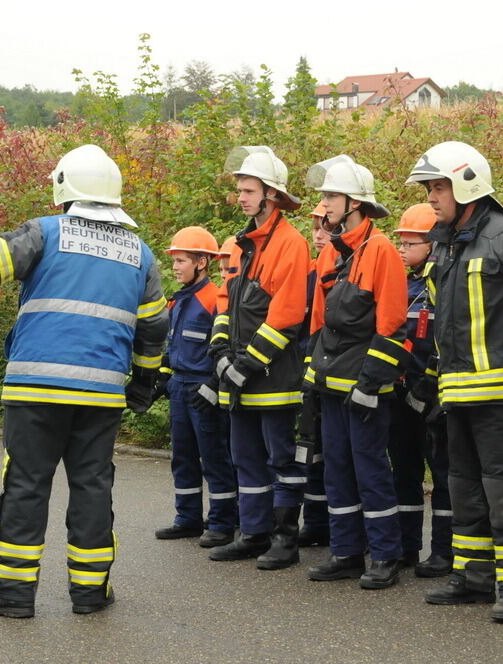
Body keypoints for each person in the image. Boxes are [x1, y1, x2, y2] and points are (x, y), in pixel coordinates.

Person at [0, 144, 168, 617]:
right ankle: (90, 593)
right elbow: (154, 327)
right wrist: (143, 381)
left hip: (36, 389)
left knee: (25, 485)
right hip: (102, 394)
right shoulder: (140, 254)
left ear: (65, 191)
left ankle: (15, 595)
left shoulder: (47, 231)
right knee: (92, 487)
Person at [407, 141, 503, 623]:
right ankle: (472, 577)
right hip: (458, 392)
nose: (431, 197)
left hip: (501, 394)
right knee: (464, 490)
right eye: (429, 188)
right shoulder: (446, 244)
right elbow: (443, 322)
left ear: (467, 183)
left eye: (438, 186)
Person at [194, 146, 309, 570]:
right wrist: (221, 350)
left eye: (248, 190)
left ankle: (284, 539)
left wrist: (244, 365)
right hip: (240, 376)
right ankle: (253, 532)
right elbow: (226, 304)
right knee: (244, 457)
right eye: (239, 190)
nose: (240, 197)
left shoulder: (291, 244)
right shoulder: (242, 243)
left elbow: (287, 314)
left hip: (274, 377)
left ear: (272, 195)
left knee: (281, 459)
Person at [302, 155, 409, 590]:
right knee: (337, 470)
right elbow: (319, 323)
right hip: (331, 386)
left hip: (364, 390)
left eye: (330, 196)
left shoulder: (380, 250)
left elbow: (393, 323)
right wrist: (312, 379)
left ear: (355, 203)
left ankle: (385, 554)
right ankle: (345, 551)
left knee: (370, 469)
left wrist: (370, 384)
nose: (324, 204)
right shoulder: (332, 252)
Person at [154, 227, 238, 548]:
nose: (175, 267)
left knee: (214, 457)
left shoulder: (214, 299)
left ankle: (221, 522)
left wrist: (214, 386)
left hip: (203, 391)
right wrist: (162, 377)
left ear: (202, 262)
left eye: (181, 261)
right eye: (174, 260)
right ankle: (187, 518)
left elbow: (224, 348)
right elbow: (171, 345)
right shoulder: (178, 301)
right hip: (179, 387)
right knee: (183, 456)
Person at [389, 203, 453, 577]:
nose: (401, 249)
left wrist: (428, 388)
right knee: (404, 472)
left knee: (443, 475)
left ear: (430, 244)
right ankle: (405, 546)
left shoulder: (443, 283)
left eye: (409, 242)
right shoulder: (405, 284)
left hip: (434, 396)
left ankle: (444, 551)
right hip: (401, 395)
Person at [297, 202, 331, 547]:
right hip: (307, 375)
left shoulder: (341, 270)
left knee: (334, 454)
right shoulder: (307, 272)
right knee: (311, 451)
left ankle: (340, 527)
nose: (319, 235)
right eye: (315, 229)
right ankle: (316, 522)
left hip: (334, 374)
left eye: (325, 228)